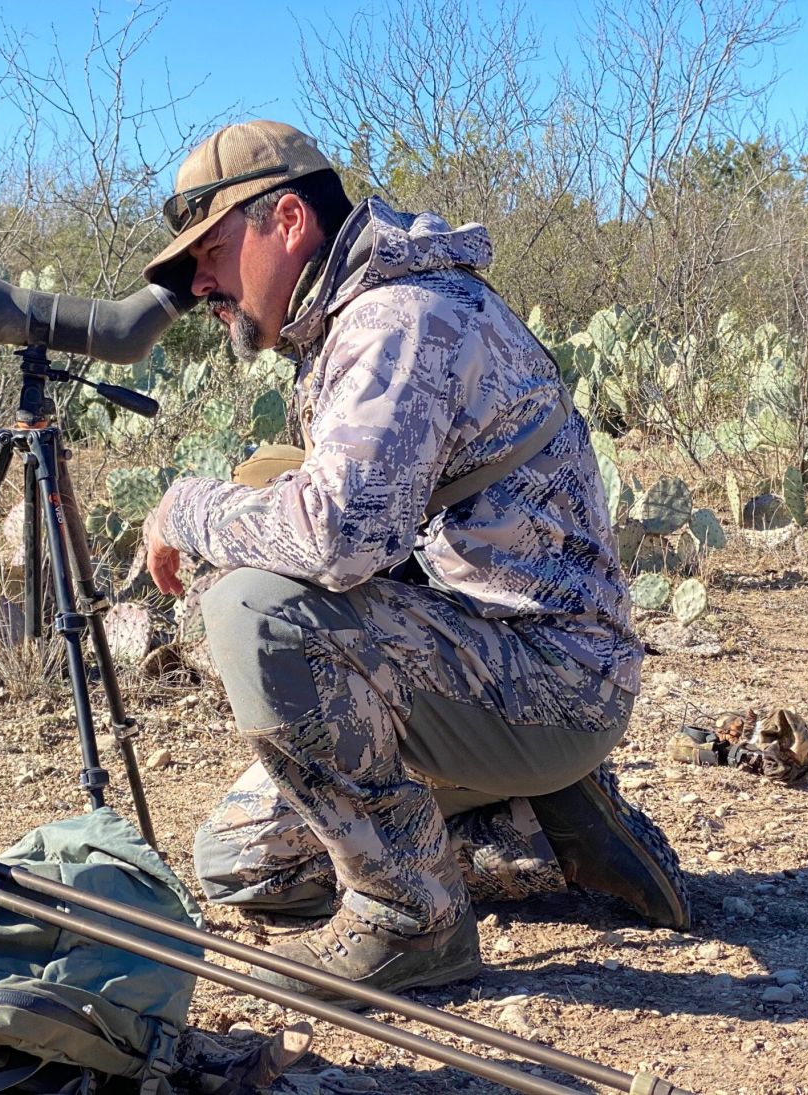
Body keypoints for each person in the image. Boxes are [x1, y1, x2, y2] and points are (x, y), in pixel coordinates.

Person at [139, 120, 689, 1001]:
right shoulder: (353, 315)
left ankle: (411, 920)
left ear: (287, 221)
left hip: (548, 677)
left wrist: (184, 508)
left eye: (210, 248)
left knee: (253, 608)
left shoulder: (397, 317)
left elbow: (338, 537)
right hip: (477, 657)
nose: (198, 280)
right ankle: (532, 833)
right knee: (241, 864)